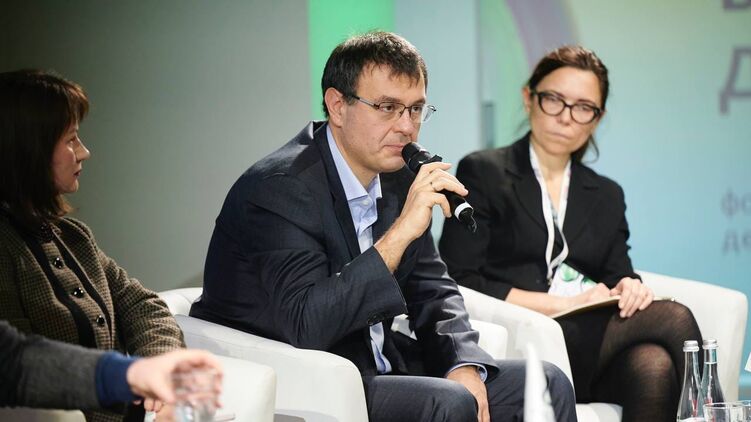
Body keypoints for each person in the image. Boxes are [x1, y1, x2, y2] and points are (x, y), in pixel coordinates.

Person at [190, 31, 577, 422]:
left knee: (545, 382)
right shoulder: (280, 188)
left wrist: (463, 363)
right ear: (337, 106)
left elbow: (433, 289)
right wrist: (401, 233)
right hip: (309, 378)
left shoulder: (397, 175)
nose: (407, 127)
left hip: (377, 363)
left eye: (416, 109)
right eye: (388, 108)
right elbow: (308, 324)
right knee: (449, 402)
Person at [439, 45, 702, 422]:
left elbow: (618, 274)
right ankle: (716, 410)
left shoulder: (605, 194)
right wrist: (562, 305)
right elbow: (460, 278)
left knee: (653, 364)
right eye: (554, 100)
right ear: (529, 98)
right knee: (674, 317)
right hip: (518, 336)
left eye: (583, 107)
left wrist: (630, 287)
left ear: (597, 118)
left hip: (589, 349)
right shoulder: (484, 172)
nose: (566, 117)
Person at [0, 69, 185, 422]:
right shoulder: (5, 250)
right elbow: (25, 370)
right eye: (71, 140)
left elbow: (143, 306)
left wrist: (161, 370)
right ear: (29, 151)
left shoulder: (73, 236)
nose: (84, 152)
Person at [0, 321, 221, 410]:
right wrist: (129, 375)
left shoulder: (76, 240)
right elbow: (13, 363)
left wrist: (155, 358)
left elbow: (142, 304)